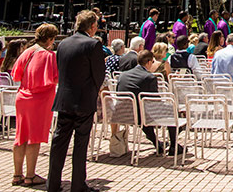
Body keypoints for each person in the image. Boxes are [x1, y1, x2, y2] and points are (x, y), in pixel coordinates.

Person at [48, 10, 105, 192]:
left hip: (64, 100)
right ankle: (78, 185)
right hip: (83, 100)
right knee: (80, 144)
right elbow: (99, 74)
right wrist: (94, 91)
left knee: (58, 143)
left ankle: (53, 184)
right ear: (93, 27)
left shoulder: (63, 43)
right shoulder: (92, 45)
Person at [11, 23, 59, 187]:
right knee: (34, 138)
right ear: (50, 39)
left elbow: (16, 75)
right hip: (39, 99)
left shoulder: (27, 52)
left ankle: (17, 174)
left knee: (20, 136)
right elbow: (54, 77)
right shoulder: (48, 55)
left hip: (22, 97)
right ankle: (30, 175)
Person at [116, 50, 181, 155]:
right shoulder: (149, 77)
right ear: (149, 62)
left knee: (142, 112)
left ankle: (157, 144)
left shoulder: (122, 75)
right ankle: (173, 145)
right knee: (171, 110)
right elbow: (155, 102)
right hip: (141, 115)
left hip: (123, 114)